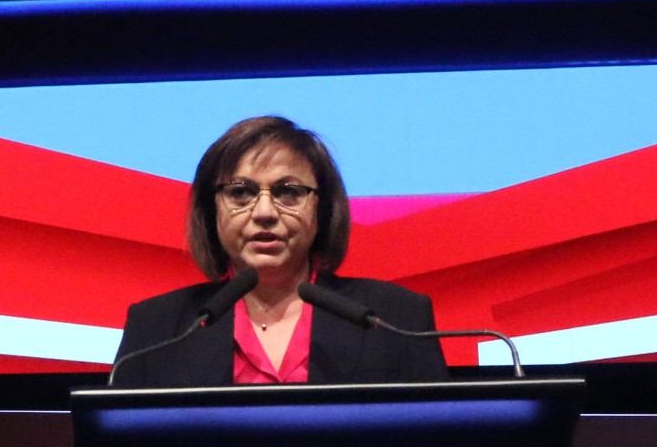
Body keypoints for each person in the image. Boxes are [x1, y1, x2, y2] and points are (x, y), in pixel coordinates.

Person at [110, 115, 448, 387]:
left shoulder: (396, 318)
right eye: (240, 193)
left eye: (288, 192)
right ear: (212, 211)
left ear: (322, 210)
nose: (265, 212)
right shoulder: (158, 328)